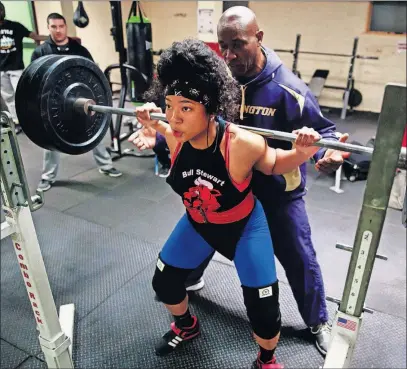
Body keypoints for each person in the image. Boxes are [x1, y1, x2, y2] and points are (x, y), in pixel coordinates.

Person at [132, 6, 351, 356]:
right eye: (224, 46)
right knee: (206, 223)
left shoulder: (288, 89)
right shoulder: (218, 79)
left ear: (258, 38)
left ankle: (317, 321)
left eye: (238, 44)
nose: (230, 54)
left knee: (298, 253)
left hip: (277, 189)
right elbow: (187, 128)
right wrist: (156, 134)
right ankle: (184, 282)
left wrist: (327, 153)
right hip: (223, 183)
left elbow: (327, 133)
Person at [30, 13, 122, 192]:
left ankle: (106, 165)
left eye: (61, 26)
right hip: (54, 107)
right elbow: (34, 80)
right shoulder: (40, 52)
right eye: (53, 27)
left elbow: (91, 72)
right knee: (50, 141)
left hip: (80, 100)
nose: (58, 30)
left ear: (65, 27)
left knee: (93, 131)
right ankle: (47, 176)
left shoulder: (79, 50)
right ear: (48, 28)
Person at [0, 1, 47, 133]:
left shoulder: (15, 26)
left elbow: (34, 36)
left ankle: (33, 119)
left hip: (16, 68)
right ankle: (17, 122)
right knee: (8, 98)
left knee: (24, 95)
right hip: (1, 70)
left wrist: (52, 37)